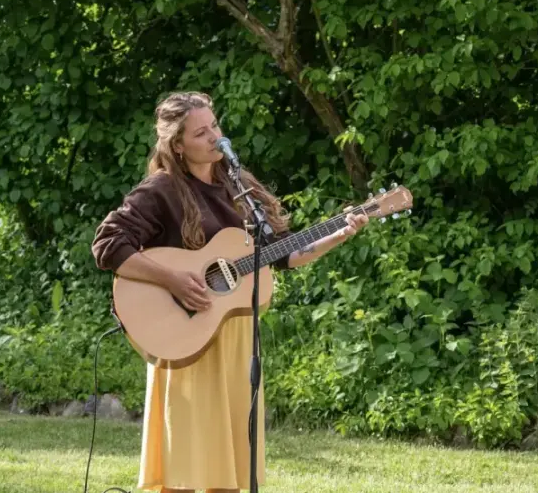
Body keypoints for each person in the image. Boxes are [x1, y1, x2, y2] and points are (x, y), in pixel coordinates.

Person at [91, 91, 368, 493]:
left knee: (229, 470)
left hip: (235, 339)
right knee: (185, 469)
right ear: (178, 145)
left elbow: (282, 254)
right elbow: (108, 244)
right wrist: (171, 279)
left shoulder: (237, 187)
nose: (215, 137)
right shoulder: (162, 189)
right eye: (201, 133)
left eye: (215, 126)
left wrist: (339, 233)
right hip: (186, 336)